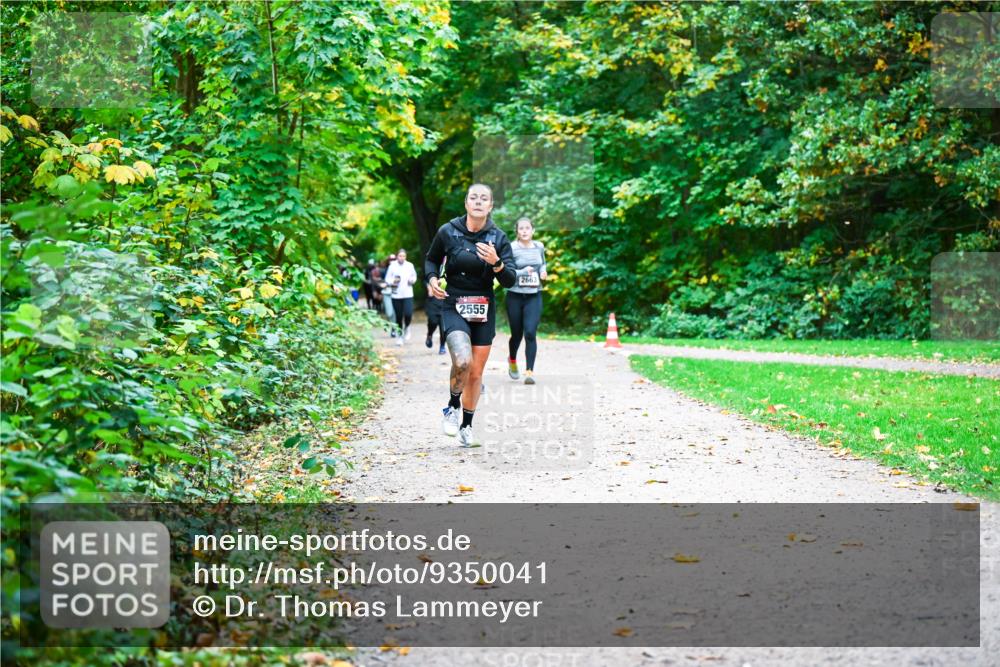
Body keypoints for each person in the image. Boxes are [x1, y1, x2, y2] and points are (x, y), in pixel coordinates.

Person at [425, 183, 516, 447]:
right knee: (462, 361)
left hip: (484, 306)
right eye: (473, 197)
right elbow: (431, 260)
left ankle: (467, 425)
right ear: (466, 203)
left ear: (490, 206)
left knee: (475, 373)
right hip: (454, 303)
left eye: (483, 198)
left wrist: (496, 263)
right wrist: (432, 279)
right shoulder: (448, 231)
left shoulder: (498, 238)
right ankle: (451, 407)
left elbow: (510, 279)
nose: (478, 201)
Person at [506, 217, 547, 384]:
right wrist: (523, 271)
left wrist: (543, 272)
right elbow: (507, 270)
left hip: (534, 296)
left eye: (527, 228)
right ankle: (512, 360)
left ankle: (529, 371)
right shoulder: (512, 247)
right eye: (521, 228)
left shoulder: (539, 246)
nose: (524, 231)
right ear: (517, 231)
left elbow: (543, 264)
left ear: (533, 231)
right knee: (516, 334)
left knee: (530, 333)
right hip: (515, 295)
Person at [385, 248, 417, 345]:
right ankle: (399, 337)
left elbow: (414, 277)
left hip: (408, 294)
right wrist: (393, 282)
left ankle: (407, 327)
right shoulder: (392, 266)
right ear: (397, 256)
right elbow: (387, 279)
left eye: (404, 256)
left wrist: (412, 280)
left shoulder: (410, 265)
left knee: (408, 314)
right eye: (400, 256)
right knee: (398, 316)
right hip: (396, 295)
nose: (402, 258)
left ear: (405, 257)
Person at [425, 258, 447, 355]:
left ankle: (442, 346)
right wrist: (429, 287)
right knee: (433, 322)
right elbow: (426, 278)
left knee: (444, 326)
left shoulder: (453, 264)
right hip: (433, 300)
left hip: (446, 300)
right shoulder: (434, 264)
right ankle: (429, 335)